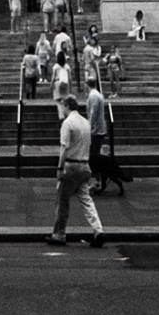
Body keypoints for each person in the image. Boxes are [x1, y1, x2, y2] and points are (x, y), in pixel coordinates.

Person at [49, 94, 104, 246]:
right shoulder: (86, 123)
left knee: (62, 201)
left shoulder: (68, 123)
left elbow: (64, 147)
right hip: (85, 165)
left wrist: (59, 168)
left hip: (71, 166)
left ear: (67, 106)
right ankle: (98, 230)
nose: (62, 109)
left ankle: (59, 234)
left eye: (63, 106)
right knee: (87, 201)